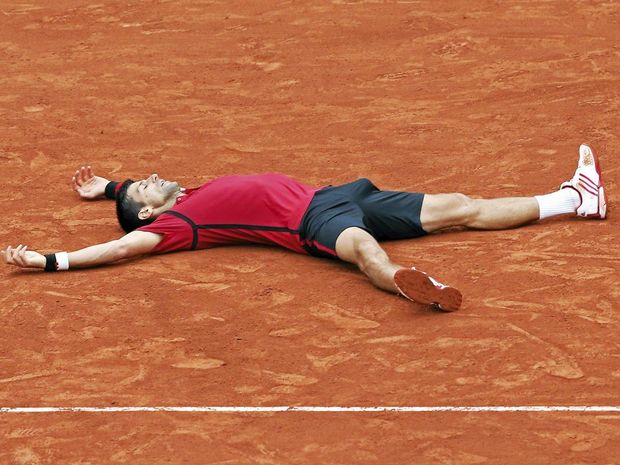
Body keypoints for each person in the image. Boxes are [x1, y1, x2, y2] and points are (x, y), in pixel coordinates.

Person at [2, 144, 607, 312]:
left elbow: (133, 203)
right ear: (155, 212)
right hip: (313, 222)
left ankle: (573, 200)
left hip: (341, 193)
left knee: (462, 206)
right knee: (363, 249)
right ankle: (407, 281)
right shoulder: (179, 222)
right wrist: (53, 260)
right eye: (143, 187)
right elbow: (120, 246)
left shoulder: (187, 194)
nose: (152, 175)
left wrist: (108, 188)